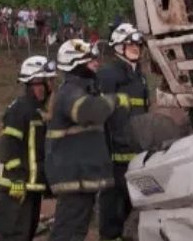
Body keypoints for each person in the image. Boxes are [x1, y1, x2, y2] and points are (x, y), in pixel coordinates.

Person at [45, 39, 124, 240]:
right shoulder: (70, 92)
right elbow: (92, 112)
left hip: (81, 176)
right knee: (68, 232)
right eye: (90, 59)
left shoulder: (82, 90)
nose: (96, 63)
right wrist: (113, 100)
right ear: (75, 63)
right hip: (74, 176)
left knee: (76, 232)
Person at [0, 56, 57, 241]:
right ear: (36, 82)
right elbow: (7, 145)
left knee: (26, 234)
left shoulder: (39, 111)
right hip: (15, 189)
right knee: (15, 236)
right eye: (49, 80)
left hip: (30, 188)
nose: (52, 85)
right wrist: (16, 178)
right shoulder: (19, 110)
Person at [97, 24, 149, 241]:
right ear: (118, 46)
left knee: (130, 204)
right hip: (114, 157)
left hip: (137, 153)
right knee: (112, 207)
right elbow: (101, 116)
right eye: (130, 43)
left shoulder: (139, 77)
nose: (136, 47)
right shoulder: (108, 74)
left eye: (138, 43)